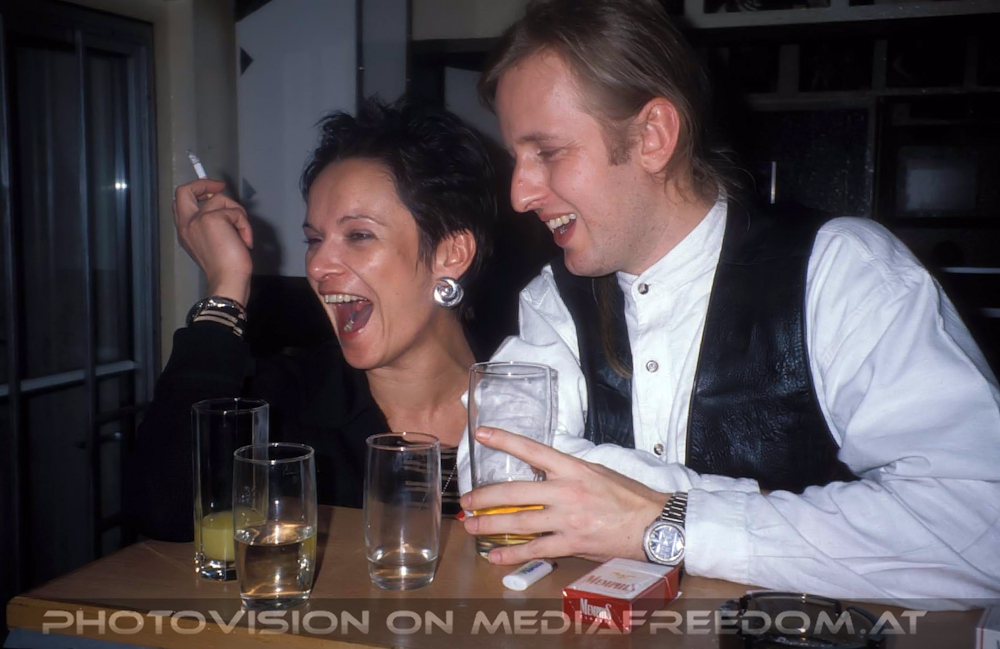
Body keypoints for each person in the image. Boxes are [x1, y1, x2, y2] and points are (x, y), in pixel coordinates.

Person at [458, 0, 1000, 609]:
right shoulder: (553, 298)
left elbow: (980, 531)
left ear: (652, 136)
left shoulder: (842, 271)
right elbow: (494, 467)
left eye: (548, 152)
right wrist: (698, 509)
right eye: (516, 158)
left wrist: (665, 522)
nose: (519, 193)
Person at [133, 98, 496, 541]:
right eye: (313, 240)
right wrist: (226, 285)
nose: (318, 265)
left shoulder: (543, 397)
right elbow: (164, 511)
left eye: (358, 235)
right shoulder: (287, 405)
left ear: (451, 253)